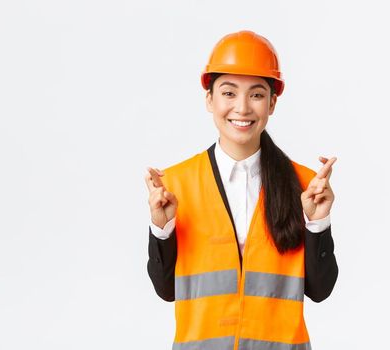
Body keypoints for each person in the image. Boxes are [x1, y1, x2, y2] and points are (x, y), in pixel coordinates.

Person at [144, 30, 338, 350]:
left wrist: (317, 222)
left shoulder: (305, 185)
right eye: (229, 93)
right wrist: (161, 228)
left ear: (272, 103)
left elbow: (319, 289)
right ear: (210, 99)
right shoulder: (175, 185)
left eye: (257, 95)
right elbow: (166, 290)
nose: (243, 108)